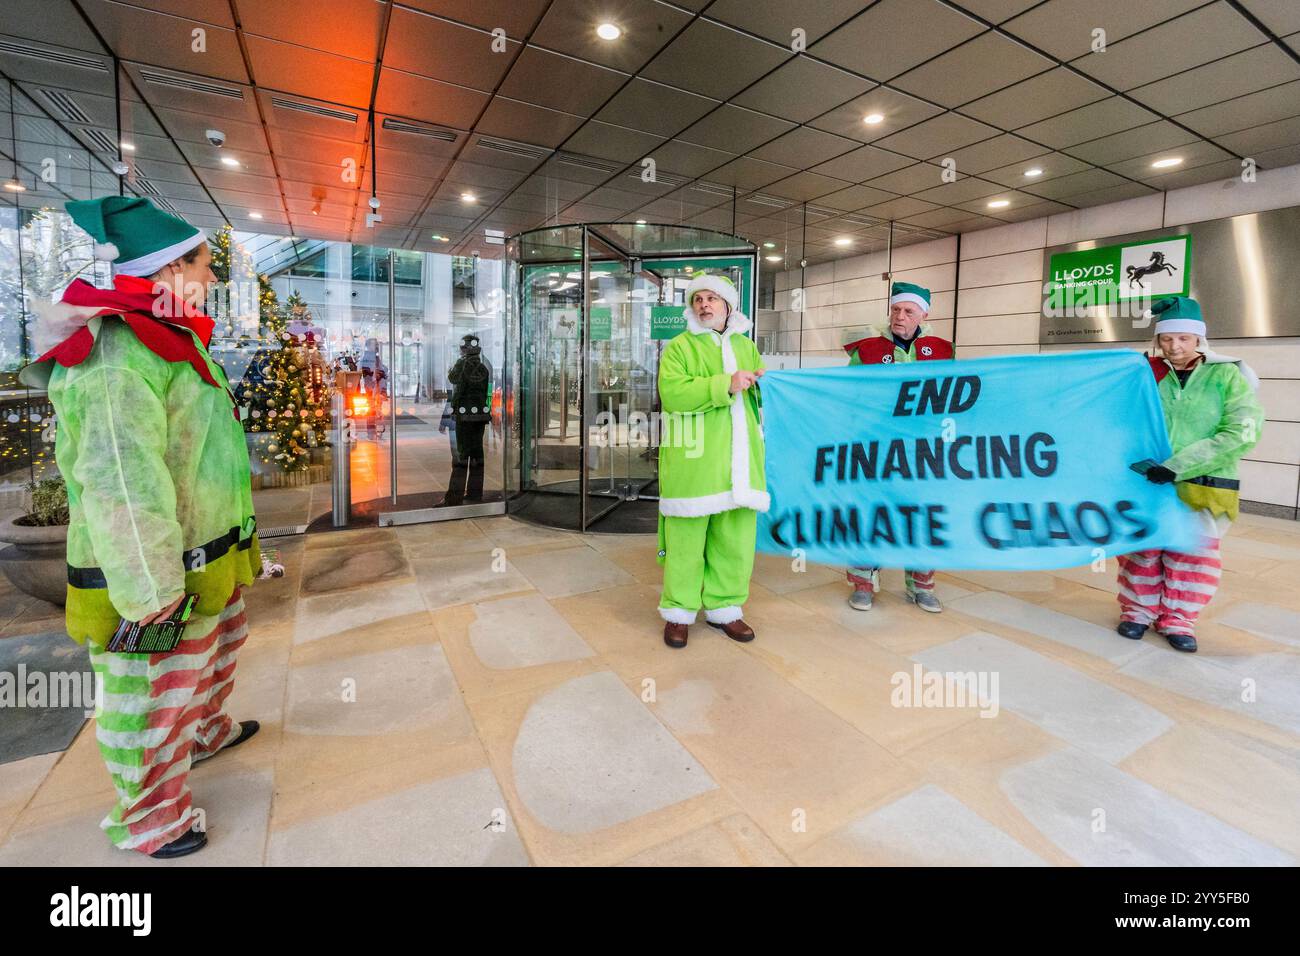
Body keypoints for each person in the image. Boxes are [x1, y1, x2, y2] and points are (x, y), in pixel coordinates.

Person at [19, 196, 262, 859]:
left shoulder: (168, 338)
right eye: (204, 265)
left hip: (210, 555)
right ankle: (150, 818)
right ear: (169, 269)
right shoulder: (115, 354)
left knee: (216, 652)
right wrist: (150, 592)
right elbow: (120, 480)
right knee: (151, 693)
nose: (212, 279)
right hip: (156, 570)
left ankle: (204, 733)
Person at [1116, 295, 1264, 652]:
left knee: (1192, 553)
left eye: (1183, 338)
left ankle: (1178, 619)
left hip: (1204, 482)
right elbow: (1121, 420)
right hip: (1147, 481)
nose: (1174, 346)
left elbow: (1243, 429)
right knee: (1143, 550)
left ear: (1199, 339)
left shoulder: (1227, 375)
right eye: (1167, 339)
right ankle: (1137, 612)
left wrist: (1179, 465)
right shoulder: (1146, 373)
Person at [656, 273, 767, 649]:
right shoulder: (679, 347)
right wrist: (726, 384)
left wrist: (765, 387)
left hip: (740, 458)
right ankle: (679, 611)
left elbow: (758, 399)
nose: (704, 304)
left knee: (735, 538)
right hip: (695, 459)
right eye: (698, 299)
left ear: (728, 305)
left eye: (712, 299)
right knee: (686, 539)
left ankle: (726, 609)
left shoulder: (748, 347)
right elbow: (673, 394)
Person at [841, 281, 953, 613]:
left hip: (923, 449)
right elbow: (849, 394)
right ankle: (863, 583)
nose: (899, 316)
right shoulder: (869, 351)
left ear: (924, 314)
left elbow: (952, 396)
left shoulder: (944, 350)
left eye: (908, 311)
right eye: (895, 309)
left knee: (921, 513)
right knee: (871, 513)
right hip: (875, 446)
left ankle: (921, 585)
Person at [444, 333, 492, 505]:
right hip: (480, 415)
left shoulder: (462, 364)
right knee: (477, 453)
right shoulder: (484, 367)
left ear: (464, 348)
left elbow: (453, 379)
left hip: (464, 416)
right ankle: (474, 493)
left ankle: (454, 497)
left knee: (462, 455)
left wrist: (455, 364)